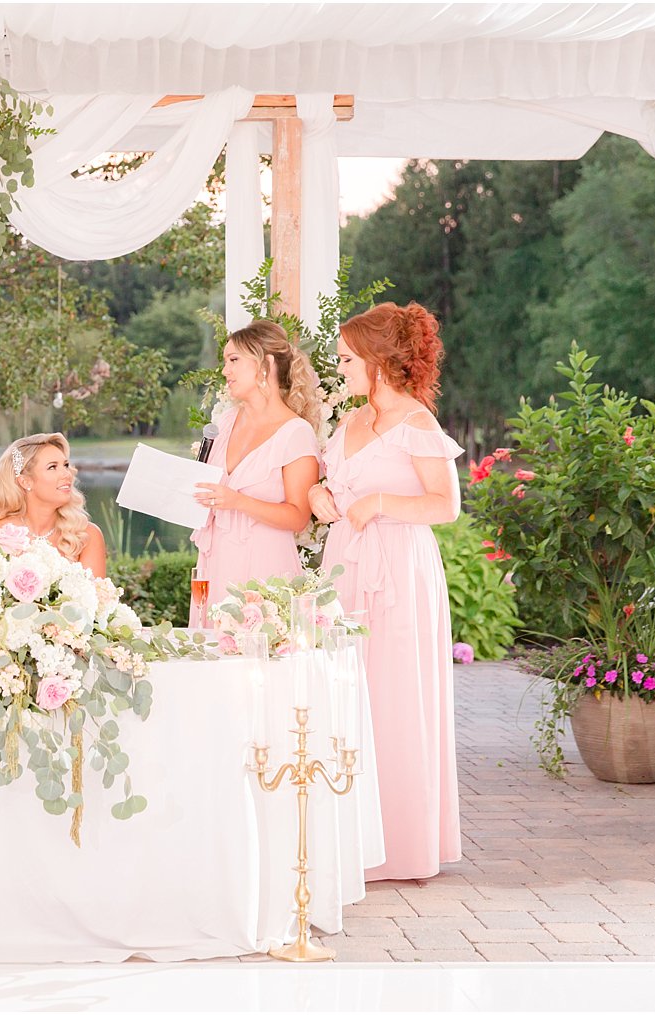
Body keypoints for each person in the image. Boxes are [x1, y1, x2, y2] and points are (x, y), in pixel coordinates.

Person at [309, 301, 464, 882]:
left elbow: (445, 505)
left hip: (399, 570)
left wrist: (378, 505)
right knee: (344, 691)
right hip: (343, 566)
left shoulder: (419, 425)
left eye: (349, 358)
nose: (342, 367)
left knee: (393, 694)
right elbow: (331, 489)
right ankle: (345, 836)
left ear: (378, 361)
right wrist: (320, 500)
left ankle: (400, 846)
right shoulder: (347, 423)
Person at [190, 321, 322, 601]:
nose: (226, 371)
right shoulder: (224, 423)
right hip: (215, 561)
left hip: (265, 568)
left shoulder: (296, 433)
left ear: (266, 364)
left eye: (234, 360)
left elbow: (299, 517)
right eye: (225, 362)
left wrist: (238, 501)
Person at [0, 433, 107, 578]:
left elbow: (95, 599)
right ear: (25, 481)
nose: (67, 474)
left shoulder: (86, 536)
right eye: (52, 467)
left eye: (65, 465)